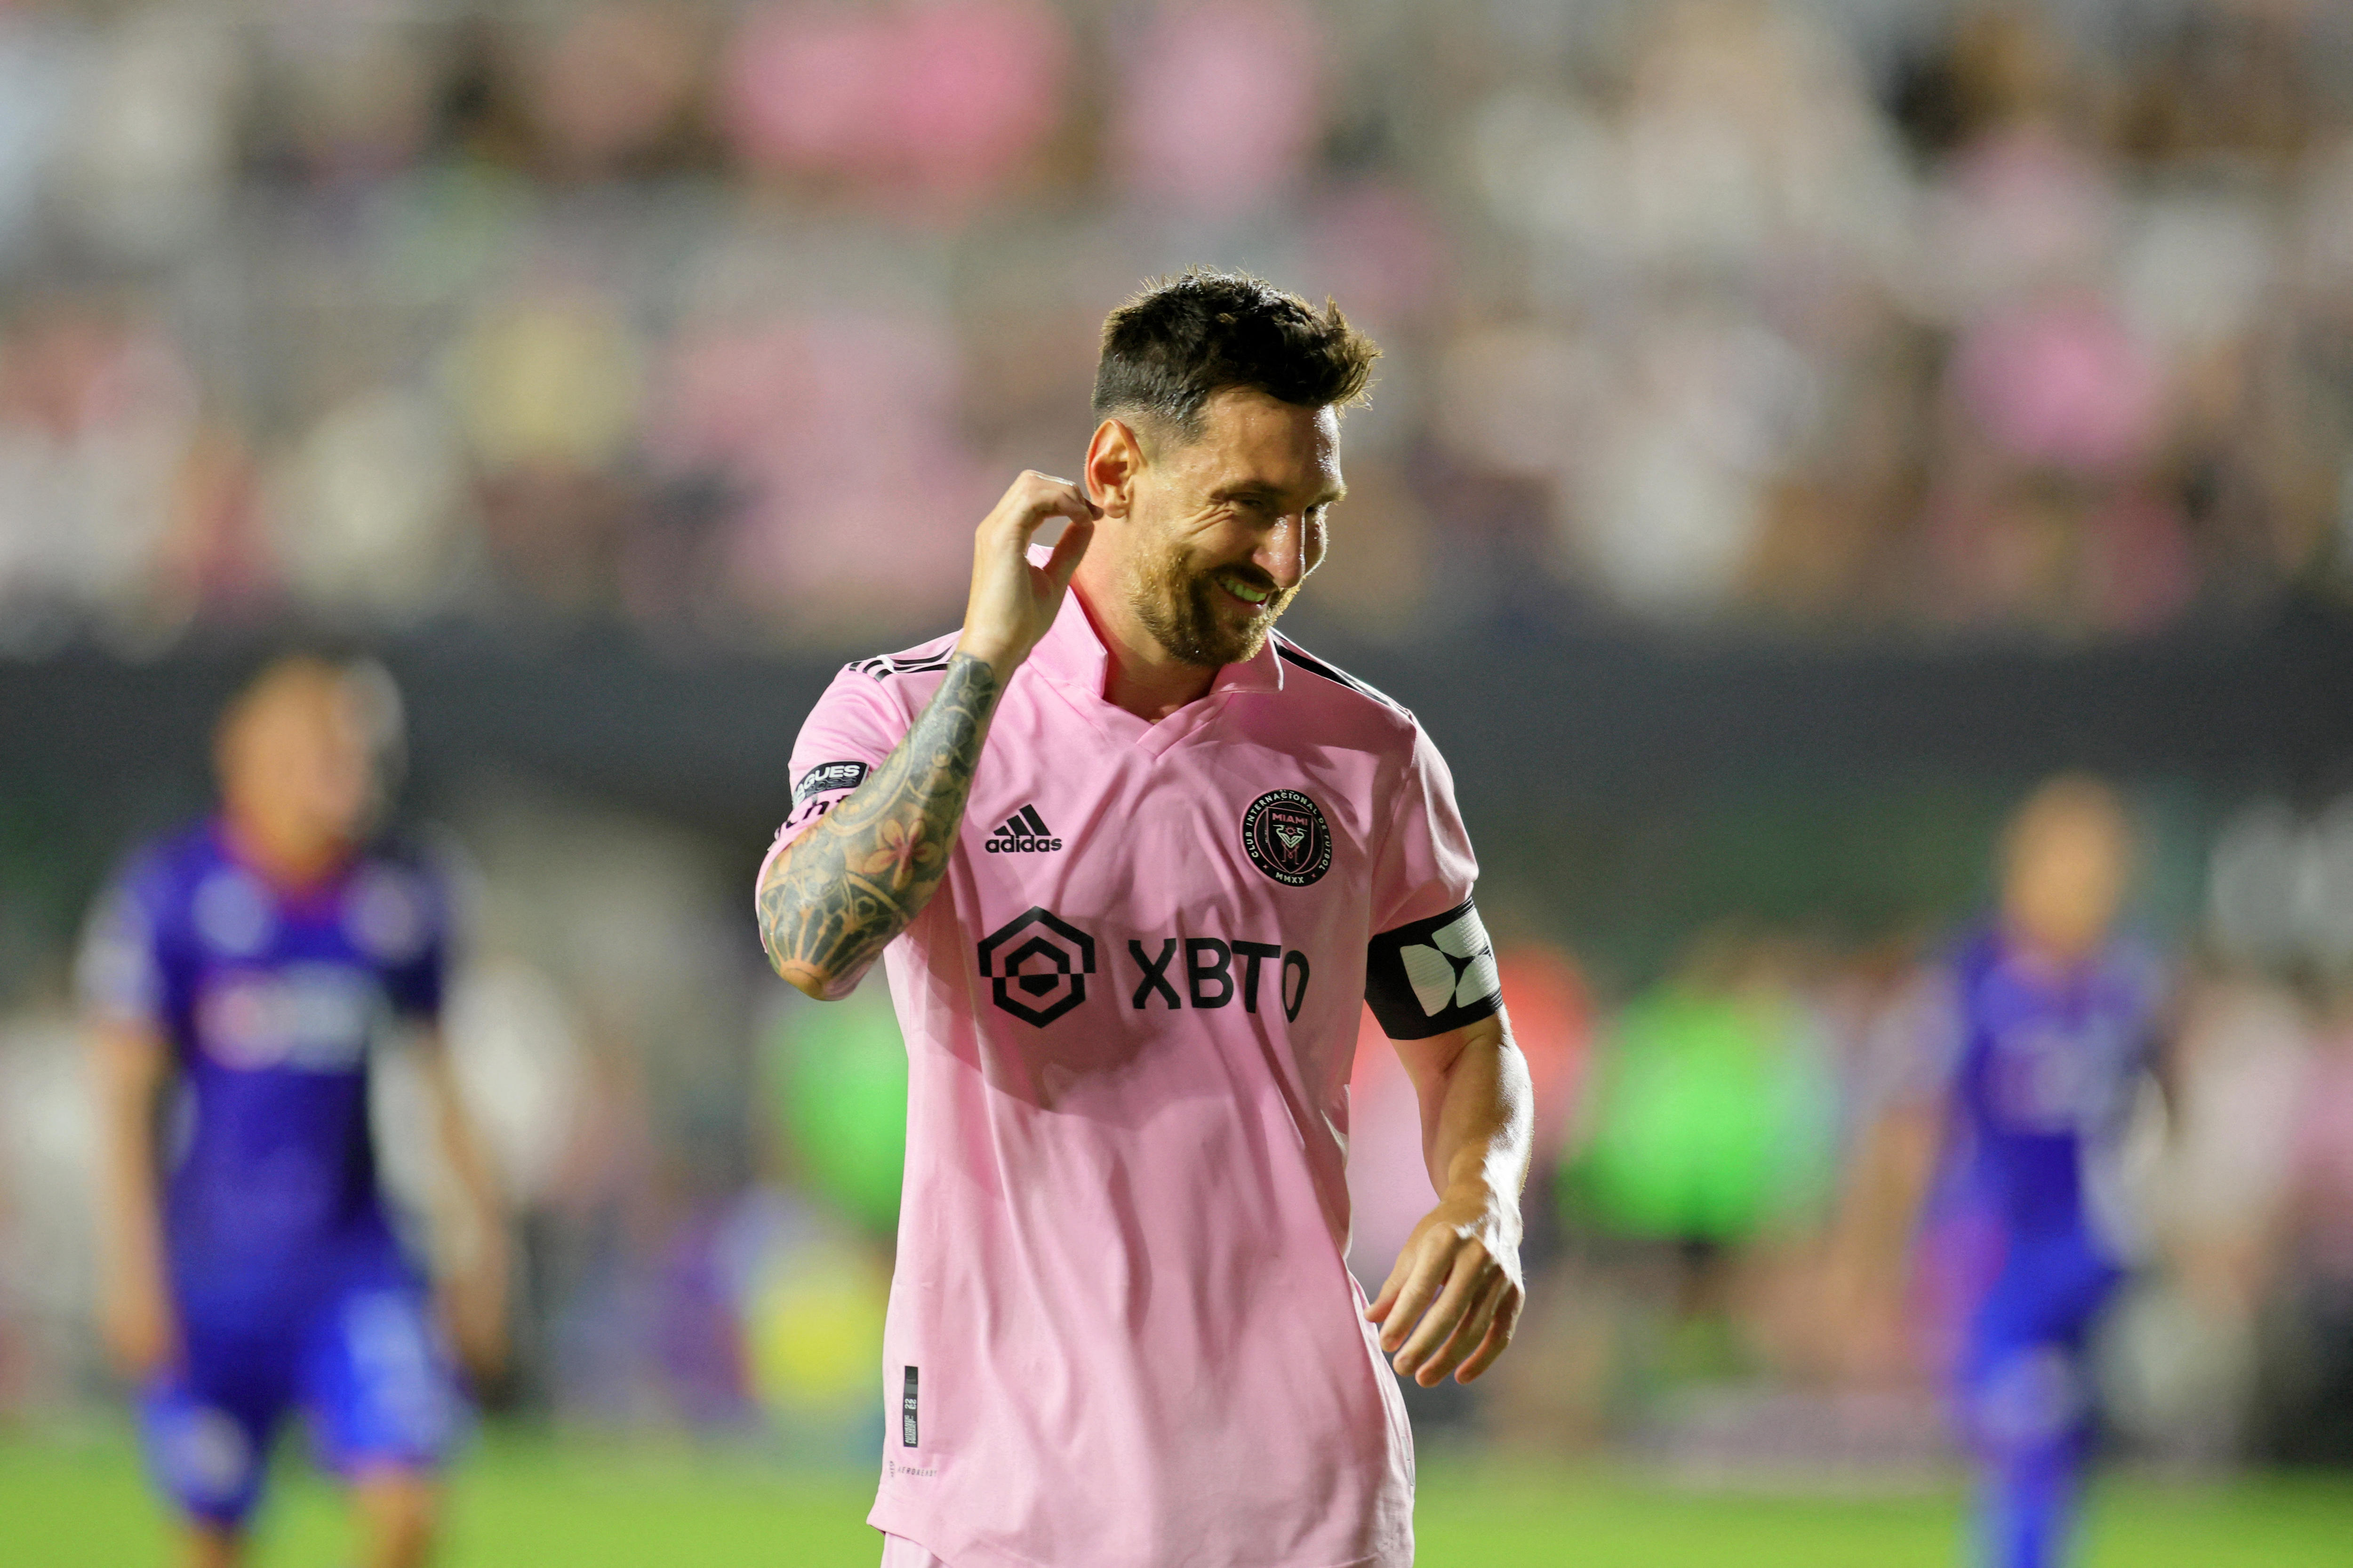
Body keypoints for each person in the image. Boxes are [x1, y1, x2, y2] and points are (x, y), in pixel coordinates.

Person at [754, 269, 1533, 1568]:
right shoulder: (900, 711)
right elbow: (810, 943)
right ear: (1115, 466)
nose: (1287, 560)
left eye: (1314, 512)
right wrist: (988, 668)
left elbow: (1467, 1038)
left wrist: (1483, 1196)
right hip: (1001, 1497)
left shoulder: (1367, 753)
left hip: (1302, 1500)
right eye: (1248, 506)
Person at [80, 655, 508, 1568]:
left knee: (405, 1514)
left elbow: (440, 1081)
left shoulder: (399, 897)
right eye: (319, 758)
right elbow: (125, 1098)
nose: (344, 781)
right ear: (248, 762)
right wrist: (131, 1269)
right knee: (213, 1536)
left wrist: (483, 1250)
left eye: (350, 759)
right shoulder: (173, 894)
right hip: (214, 1270)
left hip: (356, 1266)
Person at [1839, 775, 2169, 1568]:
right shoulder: (1967, 980)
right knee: (2028, 1443)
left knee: (2062, 1455)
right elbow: (1910, 1122)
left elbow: (2149, 1121)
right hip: (1998, 1256)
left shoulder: (2126, 988)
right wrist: (1874, 1255)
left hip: (2094, 1258)